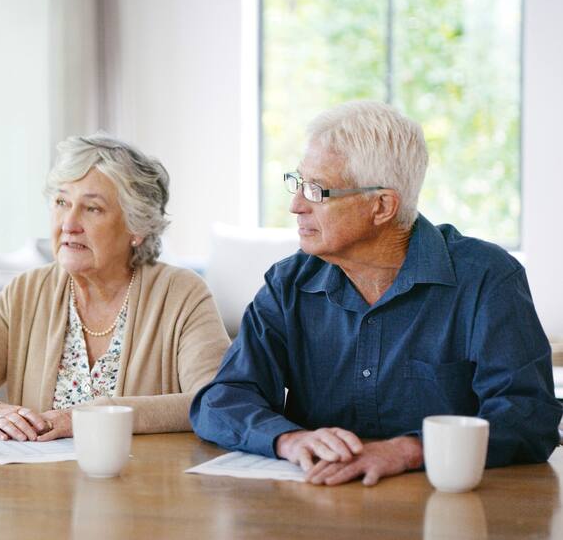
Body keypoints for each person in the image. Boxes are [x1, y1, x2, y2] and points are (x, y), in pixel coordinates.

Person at [190, 101, 561, 486]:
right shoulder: (289, 284)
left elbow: (528, 415)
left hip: (446, 504)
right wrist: (288, 439)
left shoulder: (486, 278)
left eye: (316, 190)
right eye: (297, 183)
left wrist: (407, 451)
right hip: (320, 502)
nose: (296, 205)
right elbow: (222, 399)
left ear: (382, 205)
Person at [0, 135, 230, 441]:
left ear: (138, 227)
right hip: (42, 488)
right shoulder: (26, 293)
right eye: (62, 202)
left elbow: (217, 401)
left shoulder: (182, 294)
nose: (69, 222)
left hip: (145, 486)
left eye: (92, 208)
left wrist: (94, 415)